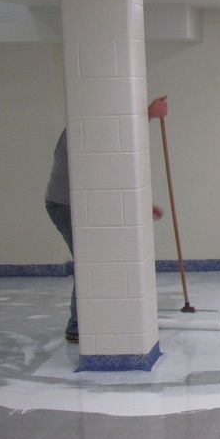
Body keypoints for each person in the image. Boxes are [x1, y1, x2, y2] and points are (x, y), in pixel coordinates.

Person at [45, 96, 169, 344]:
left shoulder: (91, 129)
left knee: (95, 259)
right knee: (88, 261)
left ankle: (93, 320)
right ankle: (78, 326)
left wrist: (140, 204)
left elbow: (110, 170)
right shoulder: (85, 128)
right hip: (66, 205)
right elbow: (106, 164)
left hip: (74, 203)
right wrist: (148, 113)